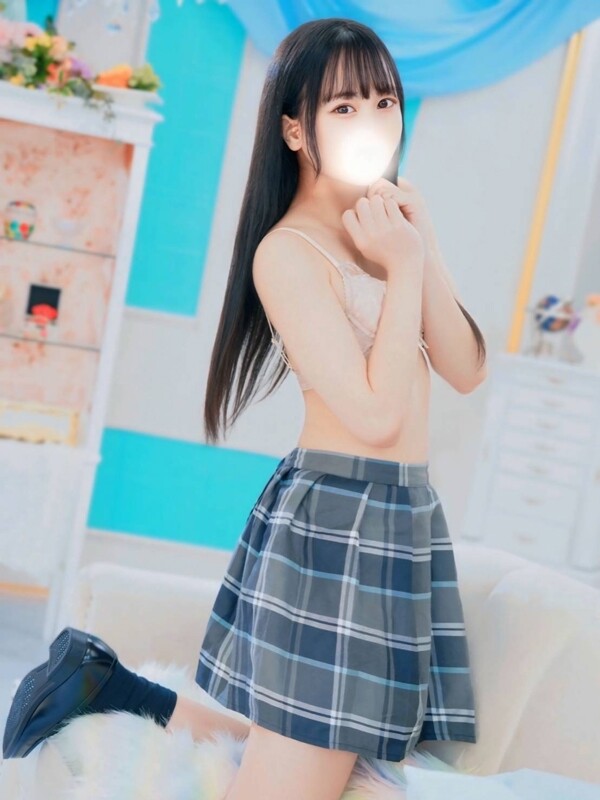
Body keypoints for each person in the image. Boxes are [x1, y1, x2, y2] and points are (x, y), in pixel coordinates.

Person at [3, 17, 487, 800]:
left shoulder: (389, 229)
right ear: (295, 129)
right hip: (340, 525)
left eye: (385, 102)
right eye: (344, 107)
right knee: (293, 778)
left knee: (311, 753)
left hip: (397, 517)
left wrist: (418, 242)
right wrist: (403, 267)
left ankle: (111, 686)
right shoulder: (288, 252)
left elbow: (465, 368)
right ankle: (109, 687)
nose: (372, 123)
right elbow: (375, 417)